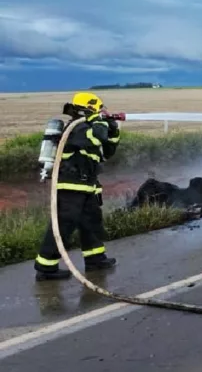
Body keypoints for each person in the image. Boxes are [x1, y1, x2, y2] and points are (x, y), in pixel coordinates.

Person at [33, 92, 121, 281]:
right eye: (100, 108)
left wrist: (113, 130)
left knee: (91, 222)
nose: (104, 111)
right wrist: (100, 122)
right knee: (64, 225)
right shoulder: (77, 128)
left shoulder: (89, 127)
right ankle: (46, 268)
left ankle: (95, 260)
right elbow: (96, 137)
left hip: (87, 186)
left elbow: (106, 152)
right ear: (90, 109)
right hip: (71, 186)